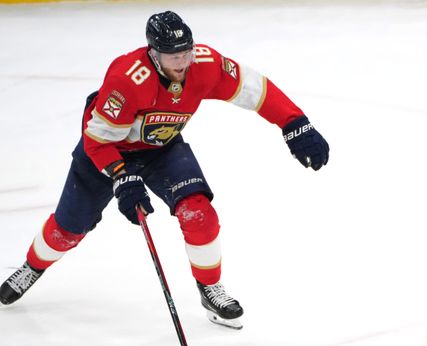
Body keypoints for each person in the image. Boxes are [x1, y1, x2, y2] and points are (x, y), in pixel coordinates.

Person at [0, 11, 329, 329]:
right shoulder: (127, 79)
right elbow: (98, 141)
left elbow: (255, 89)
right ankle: (32, 266)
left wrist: (294, 123)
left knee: (198, 212)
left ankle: (210, 289)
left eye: (186, 52)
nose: (183, 62)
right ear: (153, 54)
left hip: (162, 149)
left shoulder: (205, 64)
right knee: (67, 230)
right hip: (105, 151)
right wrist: (121, 177)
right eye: (174, 56)